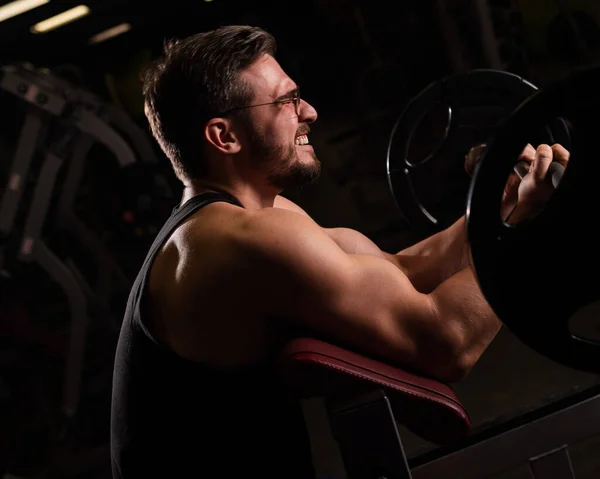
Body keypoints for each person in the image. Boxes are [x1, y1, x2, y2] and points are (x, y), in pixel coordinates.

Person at [110, 25, 570, 479]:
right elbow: (447, 343)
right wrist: (519, 225)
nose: (308, 111)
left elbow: (404, 272)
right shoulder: (234, 242)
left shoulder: (248, 218)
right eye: (285, 101)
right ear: (224, 136)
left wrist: (503, 199)